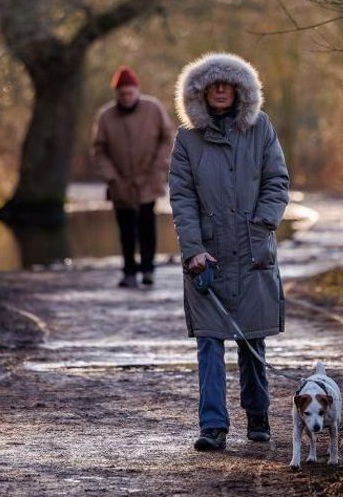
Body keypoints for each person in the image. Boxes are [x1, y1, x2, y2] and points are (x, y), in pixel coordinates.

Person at [168, 53, 290, 451]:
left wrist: (263, 224)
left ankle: (258, 417)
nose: (220, 90)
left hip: (253, 252)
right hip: (208, 257)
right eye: (212, 85)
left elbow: (277, 181)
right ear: (200, 92)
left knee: (253, 340)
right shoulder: (187, 140)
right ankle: (213, 426)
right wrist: (193, 250)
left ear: (240, 90)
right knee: (209, 340)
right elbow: (181, 197)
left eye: (227, 84)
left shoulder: (262, 129)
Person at [92, 66, 175, 288]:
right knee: (126, 228)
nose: (127, 97)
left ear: (137, 91)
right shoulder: (106, 116)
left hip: (149, 177)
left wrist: (159, 167)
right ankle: (129, 270)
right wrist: (111, 177)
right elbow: (99, 150)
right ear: (116, 94)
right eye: (122, 94)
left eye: (130, 93)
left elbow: (167, 139)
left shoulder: (154, 109)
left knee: (147, 225)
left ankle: (148, 269)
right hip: (120, 181)